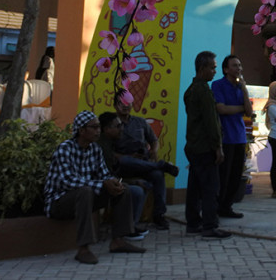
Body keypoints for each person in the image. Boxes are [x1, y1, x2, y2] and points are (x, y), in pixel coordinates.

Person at [43, 110, 145, 264]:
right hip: (59, 202)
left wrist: (112, 182)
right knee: (85, 191)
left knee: (122, 189)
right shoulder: (65, 149)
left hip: (85, 196)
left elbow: (104, 174)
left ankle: (118, 240)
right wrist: (102, 183)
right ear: (82, 131)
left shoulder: (95, 149)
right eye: (94, 127)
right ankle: (83, 249)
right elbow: (68, 181)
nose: (99, 131)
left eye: (99, 127)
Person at [183, 51, 232, 239]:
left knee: (195, 186)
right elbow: (211, 121)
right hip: (204, 147)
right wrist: (218, 146)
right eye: (212, 68)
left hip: (193, 145)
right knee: (210, 187)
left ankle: (193, 223)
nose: (214, 71)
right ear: (202, 68)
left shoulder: (191, 89)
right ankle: (209, 225)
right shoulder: (203, 90)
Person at [113, 99, 179, 230]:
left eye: (128, 103)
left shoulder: (140, 122)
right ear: (115, 105)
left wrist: (154, 151)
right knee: (126, 161)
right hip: (123, 166)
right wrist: (129, 157)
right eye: (122, 103)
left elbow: (154, 141)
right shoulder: (112, 124)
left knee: (158, 175)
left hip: (143, 164)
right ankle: (161, 165)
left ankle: (159, 215)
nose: (125, 106)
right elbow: (110, 153)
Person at [97, 112, 149, 240]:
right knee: (135, 191)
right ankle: (126, 229)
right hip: (101, 186)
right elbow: (106, 176)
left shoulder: (110, 143)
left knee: (145, 183)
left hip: (112, 180)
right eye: (118, 126)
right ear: (107, 129)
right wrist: (129, 183)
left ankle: (130, 225)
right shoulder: (101, 147)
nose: (122, 129)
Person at [212, 54, 252, 219]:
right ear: (226, 69)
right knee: (223, 176)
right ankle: (216, 207)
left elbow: (249, 112)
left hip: (240, 137)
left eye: (240, 66)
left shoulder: (240, 87)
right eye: (235, 66)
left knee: (236, 176)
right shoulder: (218, 85)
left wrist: (244, 89)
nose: (239, 69)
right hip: (225, 138)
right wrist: (240, 108)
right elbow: (221, 109)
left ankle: (227, 207)